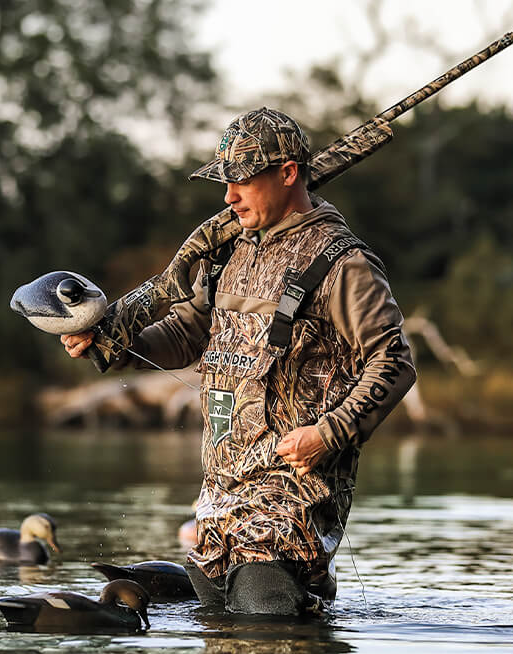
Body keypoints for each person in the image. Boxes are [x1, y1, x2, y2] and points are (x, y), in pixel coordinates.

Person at [62, 107, 416, 614]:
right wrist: (107, 345)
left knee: (264, 621)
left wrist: (328, 434)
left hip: (295, 494)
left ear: (289, 173)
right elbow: (186, 335)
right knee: (219, 647)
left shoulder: (344, 262)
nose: (228, 196)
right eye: (224, 182)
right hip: (221, 492)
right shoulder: (229, 252)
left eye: (242, 181)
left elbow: (394, 361)